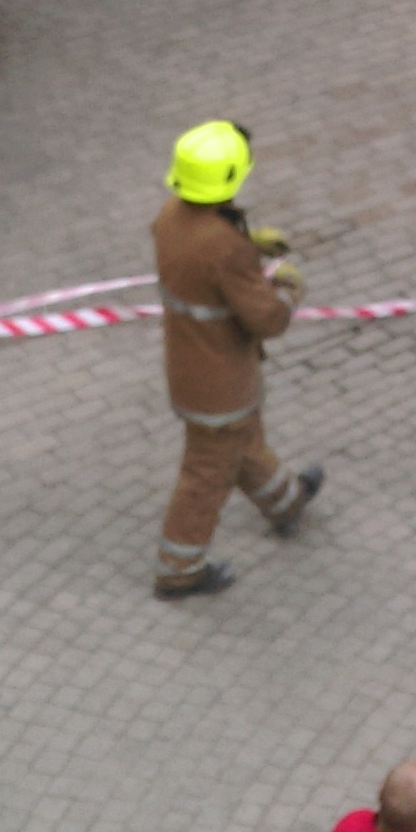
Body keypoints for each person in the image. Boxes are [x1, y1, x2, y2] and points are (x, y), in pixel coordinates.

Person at [150, 119, 322, 600]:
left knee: (242, 447)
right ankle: (178, 571)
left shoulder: (170, 216)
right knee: (206, 476)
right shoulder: (222, 248)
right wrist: (286, 285)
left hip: (189, 368)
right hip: (220, 385)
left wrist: (249, 246)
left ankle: (287, 502)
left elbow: (203, 260)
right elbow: (267, 319)